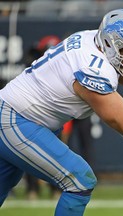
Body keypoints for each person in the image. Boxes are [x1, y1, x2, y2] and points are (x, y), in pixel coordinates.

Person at [0, 9, 123, 216]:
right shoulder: (91, 68)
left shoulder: (94, 40)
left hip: (23, 117)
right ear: (109, 43)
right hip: (17, 120)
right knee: (79, 181)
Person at [23, 34, 63, 200]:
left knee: (56, 154)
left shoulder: (62, 74)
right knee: (29, 155)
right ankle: (32, 189)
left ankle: (55, 189)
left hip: (53, 119)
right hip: (32, 116)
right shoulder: (32, 71)